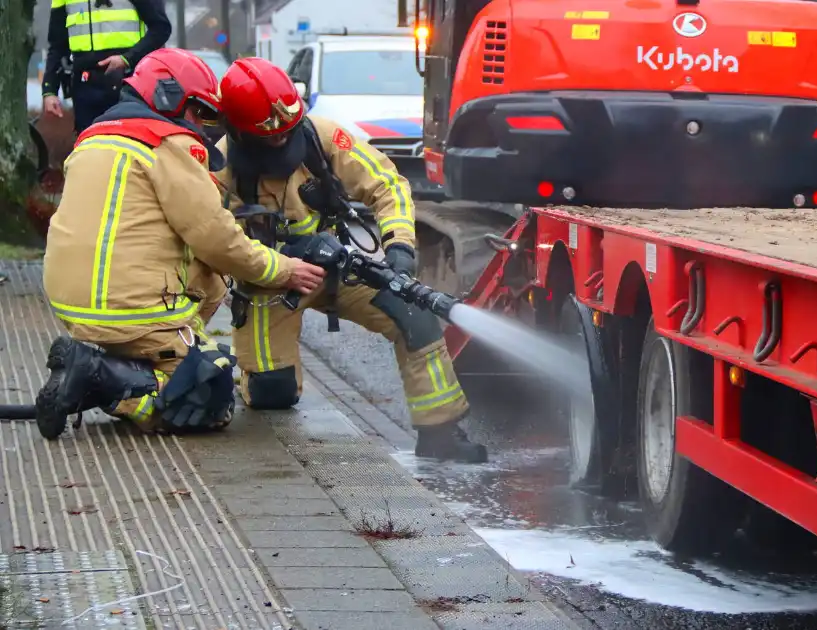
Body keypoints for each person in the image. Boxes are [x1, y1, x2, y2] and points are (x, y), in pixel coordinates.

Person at [36, 48, 326, 439]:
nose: (205, 127)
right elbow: (216, 239)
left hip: (72, 306)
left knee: (210, 282)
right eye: (201, 113)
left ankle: (107, 367)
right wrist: (284, 269)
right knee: (210, 398)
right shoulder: (168, 143)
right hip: (132, 314)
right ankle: (101, 377)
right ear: (168, 96)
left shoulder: (92, 138)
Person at [214, 57, 487, 463]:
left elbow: (387, 184)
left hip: (335, 268)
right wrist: (279, 264)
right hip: (268, 281)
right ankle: (257, 377)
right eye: (271, 137)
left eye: (287, 132)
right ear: (240, 131)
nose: (282, 142)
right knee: (273, 395)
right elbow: (215, 240)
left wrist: (398, 246)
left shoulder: (322, 138)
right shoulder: (217, 168)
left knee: (413, 316)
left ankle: (440, 432)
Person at [41, 0, 173, 134]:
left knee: (130, 143)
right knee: (90, 148)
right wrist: (49, 90)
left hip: (128, 84)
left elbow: (161, 28)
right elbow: (57, 45)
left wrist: (127, 59)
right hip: (85, 89)